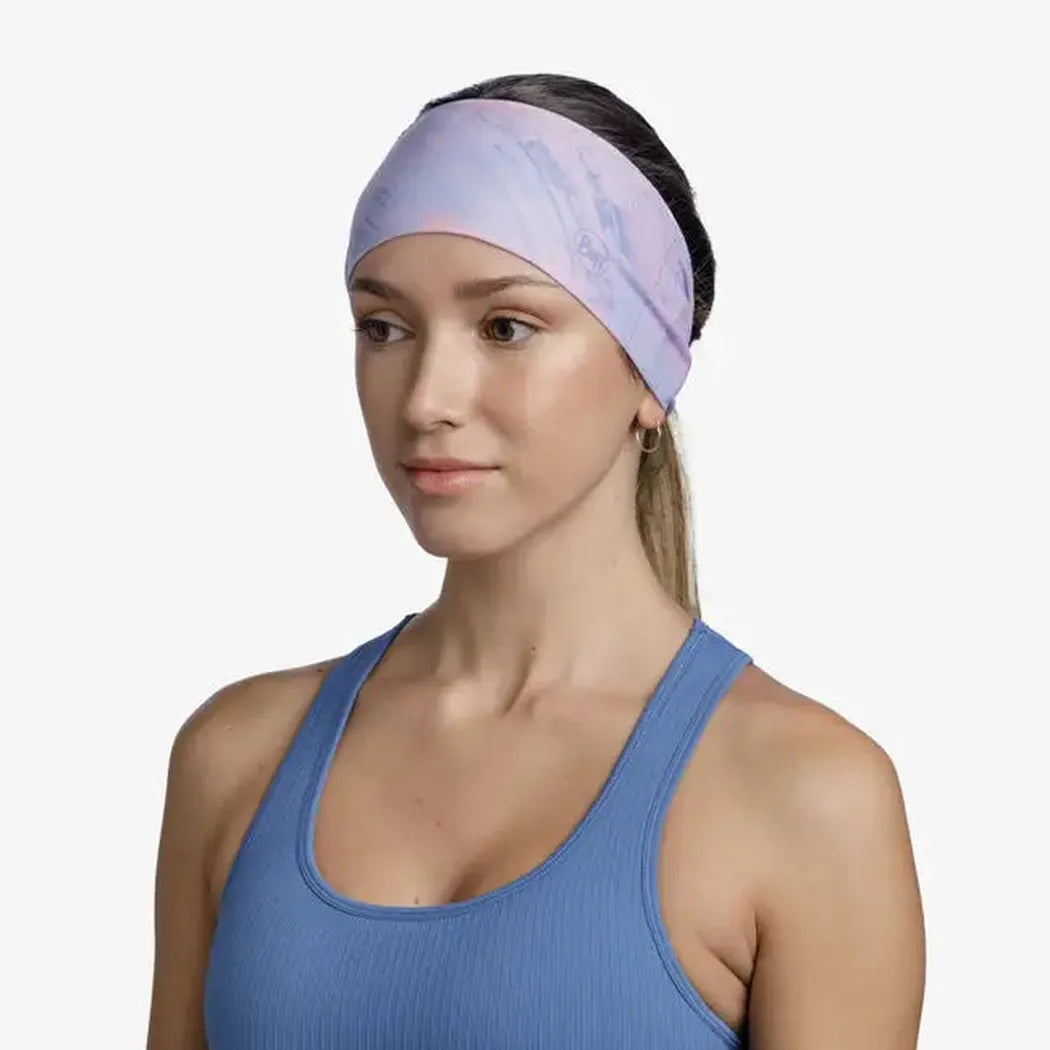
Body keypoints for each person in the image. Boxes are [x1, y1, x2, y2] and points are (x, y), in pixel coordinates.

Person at [147, 73, 926, 1049]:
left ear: (650, 368)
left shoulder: (806, 797)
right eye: (384, 327)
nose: (426, 397)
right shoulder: (238, 758)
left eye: (505, 327)